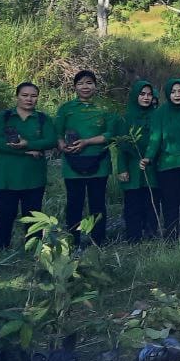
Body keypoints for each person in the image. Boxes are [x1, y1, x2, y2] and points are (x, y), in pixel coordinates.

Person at [0, 82, 57, 250]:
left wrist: (28, 143)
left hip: (33, 177)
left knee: (33, 216)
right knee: (5, 214)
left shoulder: (42, 119)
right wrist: (26, 151)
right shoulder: (4, 117)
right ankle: (1, 248)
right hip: (5, 177)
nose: (29, 99)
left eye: (33, 96)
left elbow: (51, 140)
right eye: (25, 95)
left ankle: (33, 249)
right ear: (17, 96)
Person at [56, 70, 117, 245]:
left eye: (89, 82)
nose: (85, 86)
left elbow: (110, 134)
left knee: (97, 204)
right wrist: (62, 145)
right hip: (72, 164)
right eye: (81, 83)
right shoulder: (66, 109)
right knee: (74, 203)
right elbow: (58, 133)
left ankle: (98, 241)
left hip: (99, 163)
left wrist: (87, 142)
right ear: (74, 86)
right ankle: (72, 240)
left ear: (96, 86)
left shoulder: (105, 108)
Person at [142, 79, 180, 239]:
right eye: (173, 92)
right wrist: (148, 157)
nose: (177, 95)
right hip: (166, 165)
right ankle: (172, 235)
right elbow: (155, 139)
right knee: (170, 202)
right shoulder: (159, 113)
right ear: (168, 94)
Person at [116, 80, 159, 242]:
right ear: (135, 96)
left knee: (151, 202)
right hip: (132, 166)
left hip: (152, 166)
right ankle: (133, 237)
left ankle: (151, 234)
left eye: (149, 94)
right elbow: (121, 145)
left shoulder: (157, 116)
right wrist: (122, 169)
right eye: (142, 94)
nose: (146, 98)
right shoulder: (126, 118)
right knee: (133, 203)